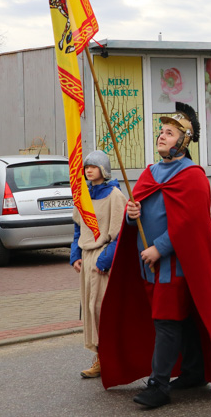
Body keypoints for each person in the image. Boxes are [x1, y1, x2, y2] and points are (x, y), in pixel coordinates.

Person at [98, 103, 211, 408]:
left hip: (176, 265)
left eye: (169, 133)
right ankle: (193, 371)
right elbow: (140, 211)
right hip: (147, 265)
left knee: (167, 320)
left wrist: (159, 247)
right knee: (182, 320)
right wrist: (132, 214)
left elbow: (191, 224)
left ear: (183, 142)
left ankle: (158, 386)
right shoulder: (150, 173)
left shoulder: (193, 176)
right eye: (161, 131)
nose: (161, 136)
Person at [69, 151, 127, 379]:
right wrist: (75, 255)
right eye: (87, 167)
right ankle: (101, 357)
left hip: (103, 259)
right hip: (87, 256)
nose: (89, 170)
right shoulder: (83, 196)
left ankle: (109, 357)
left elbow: (121, 233)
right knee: (90, 308)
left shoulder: (115, 196)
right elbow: (77, 228)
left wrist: (106, 259)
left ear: (104, 169)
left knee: (102, 308)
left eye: (93, 166)